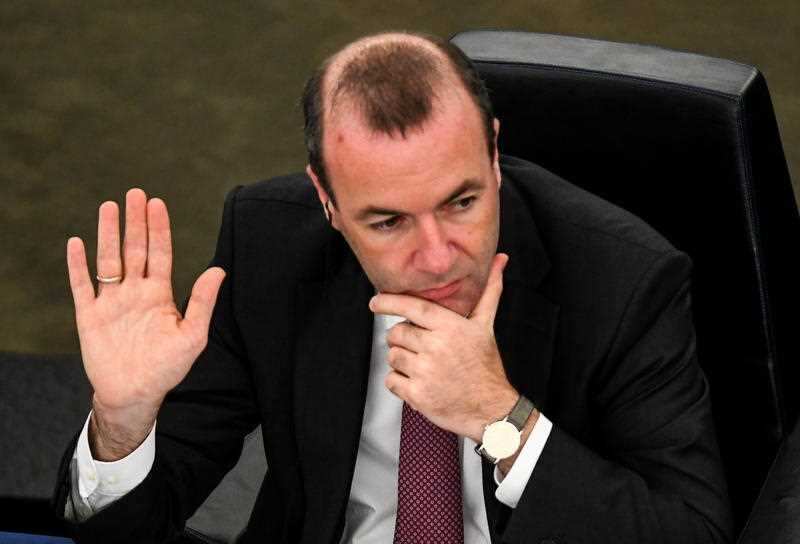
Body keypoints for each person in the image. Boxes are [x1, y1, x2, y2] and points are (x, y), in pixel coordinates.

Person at [54, 31, 733, 543]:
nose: (436, 258)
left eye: (462, 202)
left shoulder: (625, 280)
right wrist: (123, 421)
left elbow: (693, 532)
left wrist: (502, 420)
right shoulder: (270, 245)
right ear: (326, 199)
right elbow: (133, 524)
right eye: (388, 222)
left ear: (494, 153)